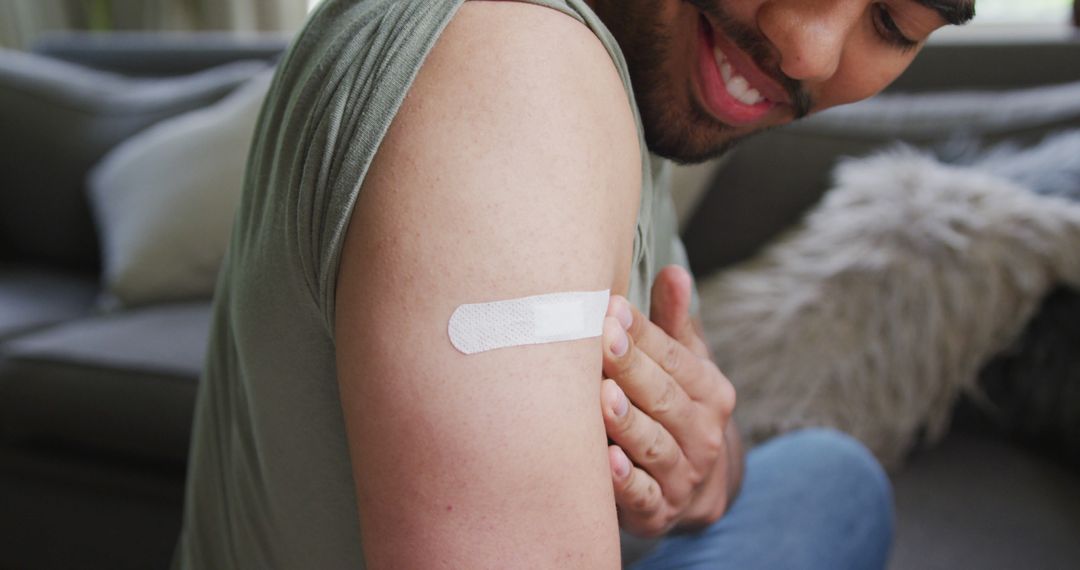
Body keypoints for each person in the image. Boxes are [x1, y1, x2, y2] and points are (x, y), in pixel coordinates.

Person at [173, 0, 975, 568]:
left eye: (893, 24)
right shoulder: (517, 75)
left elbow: (699, 434)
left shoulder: (635, 77)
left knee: (831, 479)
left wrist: (701, 468)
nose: (810, 50)